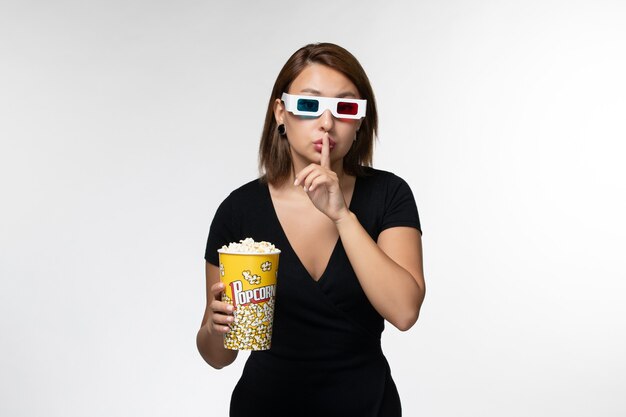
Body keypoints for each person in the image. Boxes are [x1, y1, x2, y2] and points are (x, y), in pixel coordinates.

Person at [197, 42, 425, 417]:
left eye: (346, 107)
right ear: (280, 113)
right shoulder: (238, 210)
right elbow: (218, 357)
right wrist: (214, 327)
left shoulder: (389, 194)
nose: (327, 122)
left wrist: (341, 216)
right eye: (309, 104)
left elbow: (403, 312)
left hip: (368, 407)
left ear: (361, 121)